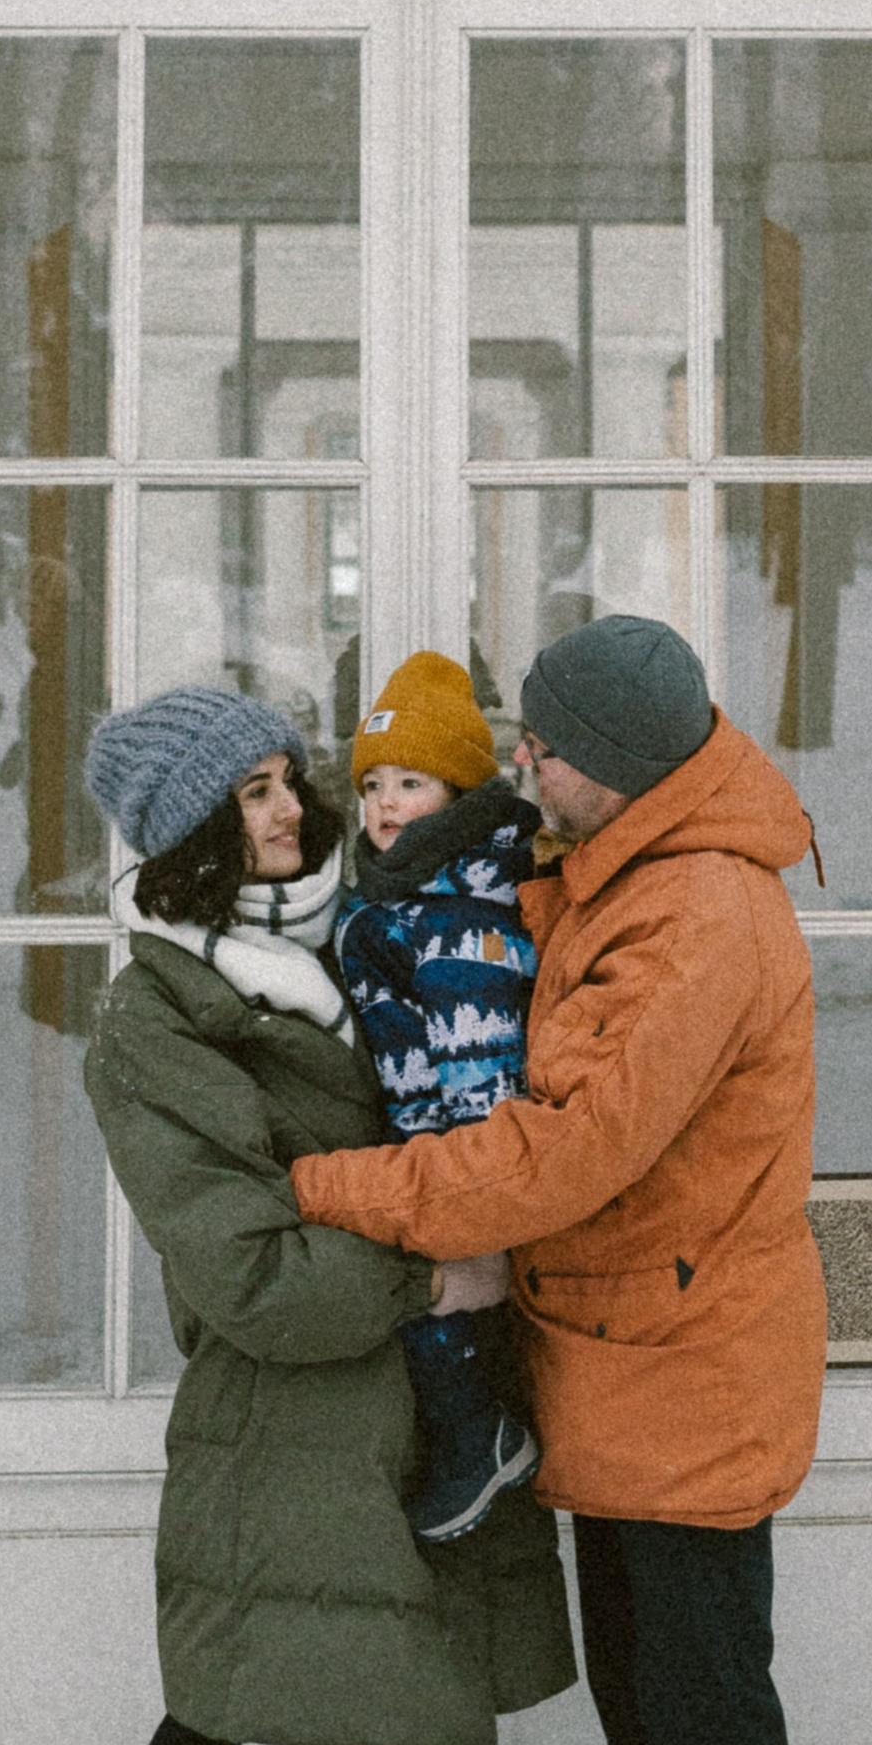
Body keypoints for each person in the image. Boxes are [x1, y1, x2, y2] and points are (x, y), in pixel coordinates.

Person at [291, 617, 824, 1745]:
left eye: (548, 749)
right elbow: (486, 905)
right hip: (622, 1371)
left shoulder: (699, 917)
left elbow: (551, 1159)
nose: (526, 768)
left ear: (630, 763)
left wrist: (324, 1187)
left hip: (687, 1385)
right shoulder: (615, 862)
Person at [58, 683, 576, 1745]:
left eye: (292, 783)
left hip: (418, 1418)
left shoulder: (372, 941)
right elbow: (246, 1272)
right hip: (278, 1429)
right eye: (255, 795)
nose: (290, 814)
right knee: (203, 1725)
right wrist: (435, 1267)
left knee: (405, 1730)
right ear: (186, 836)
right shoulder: (155, 1018)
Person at [336, 649, 544, 1543]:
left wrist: (467, 1200)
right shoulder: (400, 894)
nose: (384, 804)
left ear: (458, 795)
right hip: (410, 1134)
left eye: (410, 782)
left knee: (441, 1310)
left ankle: (483, 1436)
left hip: (451, 1151)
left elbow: (482, 1063)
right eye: (373, 782)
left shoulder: (461, 917)